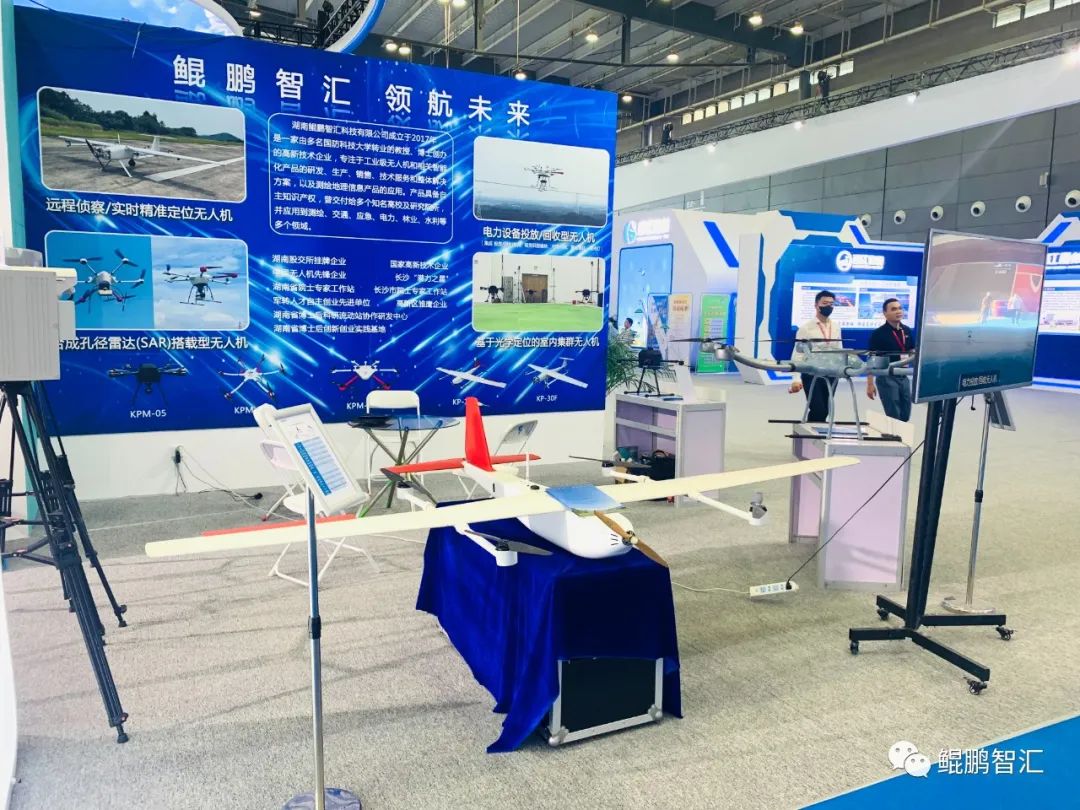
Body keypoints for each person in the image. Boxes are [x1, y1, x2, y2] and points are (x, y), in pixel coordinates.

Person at [789, 290, 844, 423]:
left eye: (831, 304)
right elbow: (798, 353)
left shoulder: (836, 327)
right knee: (817, 408)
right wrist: (796, 378)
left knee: (826, 409)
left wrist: (842, 369)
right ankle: (810, 433)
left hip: (831, 373)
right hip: (811, 372)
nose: (829, 306)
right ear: (816, 305)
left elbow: (839, 349)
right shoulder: (805, 328)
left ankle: (817, 432)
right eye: (825, 303)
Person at [866, 297, 915, 422]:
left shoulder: (906, 330)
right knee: (894, 416)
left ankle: (902, 434)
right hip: (886, 377)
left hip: (903, 376)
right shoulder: (879, 333)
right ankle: (895, 434)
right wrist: (870, 384)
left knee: (905, 415)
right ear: (885, 313)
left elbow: (912, 351)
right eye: (893, 309)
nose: (898, 311)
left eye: (900, 308)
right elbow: (871, 358)